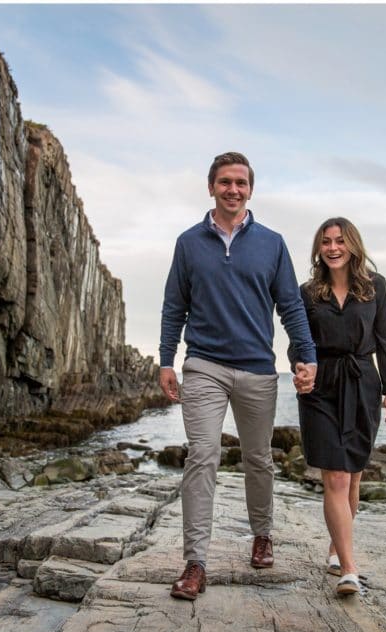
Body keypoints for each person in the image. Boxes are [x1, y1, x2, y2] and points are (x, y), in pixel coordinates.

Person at [159, 152, 318, 601]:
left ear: (250, 190)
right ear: (211, 187)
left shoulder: (272, 243)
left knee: (259, 458)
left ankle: (262, 534)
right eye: (225, 182)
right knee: (203, 454)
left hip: (257, 369)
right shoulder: (189, 243)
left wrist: (306, 358)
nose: (233, 189)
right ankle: (195, 563)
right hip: (204, 364)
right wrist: (167, 360)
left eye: (241, 183)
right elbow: (175, 306)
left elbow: (291, 307)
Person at [290, 217, 386, 596]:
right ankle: (349, 570)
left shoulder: (375, 286)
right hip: (320, 385)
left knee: (352, 475)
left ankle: (338, 546)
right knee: (335, 477)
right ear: (318, 249)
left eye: (339, 241)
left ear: (352, 244)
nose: (333, 248)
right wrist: (300, 369)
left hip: (362, 383)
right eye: (326, 242)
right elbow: (297, 341)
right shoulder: (307, 293)